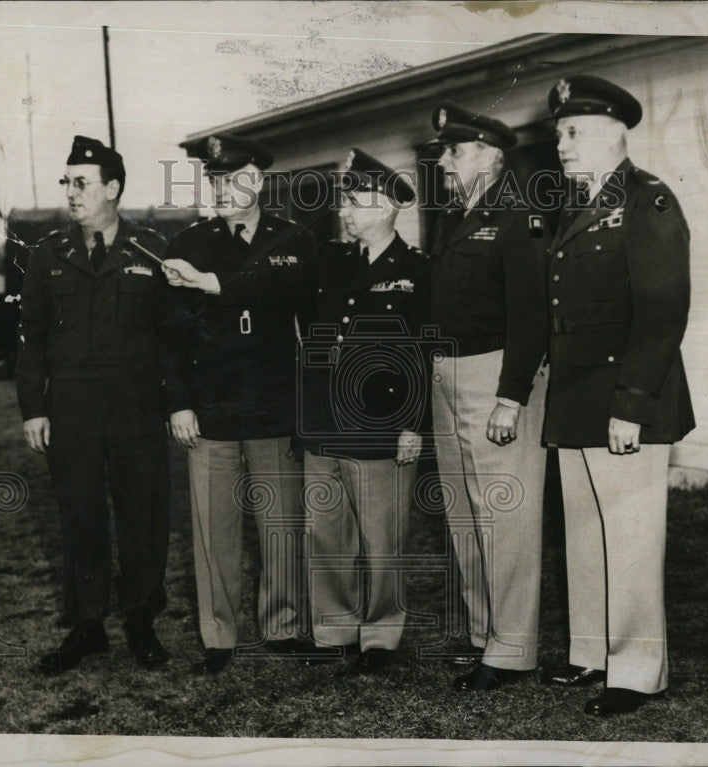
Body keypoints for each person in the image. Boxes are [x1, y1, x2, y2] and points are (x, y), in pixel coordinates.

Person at [540, 75, 694, 716]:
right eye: (558, 134)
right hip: (577, 391)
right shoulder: (577, 203)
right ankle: (591, 653)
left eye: (573, 132)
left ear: (613, 132)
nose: (561, 145)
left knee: (629, 535)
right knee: (584, 531)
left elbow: (662, 311)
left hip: (626, 394)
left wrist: (631, 403)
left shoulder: (647, 200)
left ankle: (634, 669)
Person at [159, 132, 317, 675]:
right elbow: (170, 335)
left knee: (281, 525)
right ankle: (218, 635)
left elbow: (284, 288)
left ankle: (284, 625)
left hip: (274, 406)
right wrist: (178, 403)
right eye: (216, 180)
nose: (224, 189)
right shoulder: (190, 242)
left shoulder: (294, 239)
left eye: (235, 178)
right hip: (211, 410)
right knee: (213, 528)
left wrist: (213, 284)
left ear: (261, 179)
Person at [16, 135, 171, 674]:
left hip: (136, 406)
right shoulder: (47, 255)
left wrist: (176, 403)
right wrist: (34, 407)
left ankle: (141, 621)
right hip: (72, 409)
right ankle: (87, 626)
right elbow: (30, 337)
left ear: (113, 188)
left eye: (81, 183)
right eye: (67, 182)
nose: (71, 193)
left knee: (142, 515)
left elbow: (171, 335)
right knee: (79, 514)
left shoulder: (150, 248)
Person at [427, 102, 550, 691]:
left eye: (456, 150)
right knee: (465, 513)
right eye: (446, 150)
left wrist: (513, 396)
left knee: (505, 514)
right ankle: (484, 634)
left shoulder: (517, 215)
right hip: (448, 375)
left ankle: (513, 648)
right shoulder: (458, 215)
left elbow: (531, 315)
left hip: (495, 375)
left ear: (491, 156)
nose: (445, 160)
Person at [297, 148, 430, 674]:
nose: (346, 211)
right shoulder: (330, 262)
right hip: (324, 423)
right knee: (326, 531)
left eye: (357, 201)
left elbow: (424, 351)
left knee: (382, 537)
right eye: (345, 201)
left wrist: (412, 424)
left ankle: (380, 637)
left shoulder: (417, 270)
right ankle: (333, 630)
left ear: (391, 207)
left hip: (381, 426)